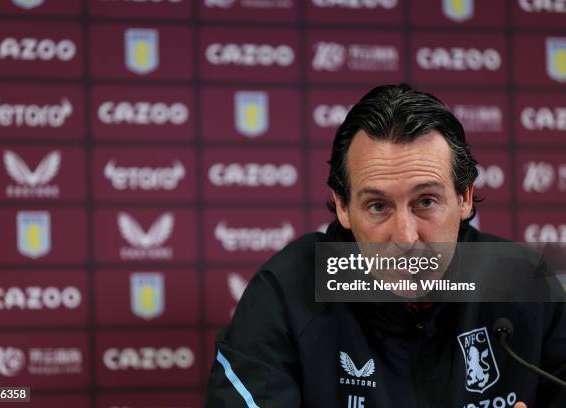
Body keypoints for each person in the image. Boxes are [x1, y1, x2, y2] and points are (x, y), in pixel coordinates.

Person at [205, 84, 566, 407]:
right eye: (378, 206)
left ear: (465, 197)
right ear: (344, 206)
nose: (405, 237)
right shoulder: (288, 290)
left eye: (425, 201)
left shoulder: (524, 282)